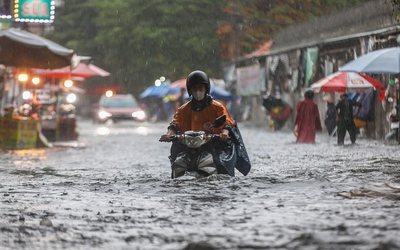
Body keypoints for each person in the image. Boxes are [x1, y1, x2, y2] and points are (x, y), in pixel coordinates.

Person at [160, 70, 251, 176]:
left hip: (213, 145)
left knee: (220, 163)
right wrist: (169, 135)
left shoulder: (217, 107)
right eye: (195, 88)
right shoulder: (183, 110)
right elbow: (175, 124)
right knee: (176, 158)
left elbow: (227, 122)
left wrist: (224, 133)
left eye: (200, 88)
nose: (198, 91)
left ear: (206, 88)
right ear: (190, 90)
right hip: (188, 146)